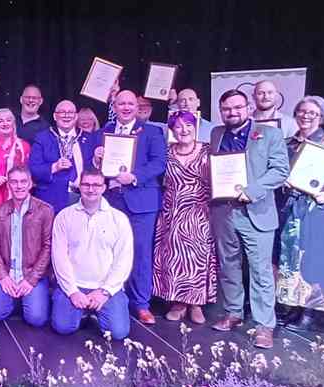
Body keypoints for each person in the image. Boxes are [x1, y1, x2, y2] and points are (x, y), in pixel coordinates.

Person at [208, 89, 289, 349]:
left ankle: (264, 325)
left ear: (248, 108)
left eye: (237, 107)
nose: (232, 112)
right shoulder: (216, 133)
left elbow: (280, 170)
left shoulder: (271, 134)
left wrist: (252, 191)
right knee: (228, 265)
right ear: (221, 111)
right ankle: (233, 313)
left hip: (257, 212)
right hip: (224, 211)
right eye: (227, 109)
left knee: (261, 271)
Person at [276, 96, 324, 331]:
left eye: (313, 113)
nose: (306, 116)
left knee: (312, 261)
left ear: (321, 117)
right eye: (302, 112)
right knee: (290, 258)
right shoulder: (288, 143)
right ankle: (293, 307)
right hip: (291, 208)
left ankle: (309, 311)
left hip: (317, 209)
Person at [94, 90, 167, 325]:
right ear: (114, 106)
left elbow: (159, 163)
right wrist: (96, 160)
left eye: (130, 104)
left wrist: (134, 176)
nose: (125, 107)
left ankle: (141, 305)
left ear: (138, 106)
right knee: (109, 252)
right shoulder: (105, 131)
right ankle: (113, 299)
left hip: (141, 202)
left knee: (139, 254)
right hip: (112, 200)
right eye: (121, 103)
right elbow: (95, 168)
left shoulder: (152, 131)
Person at [50, 170, 132, 338]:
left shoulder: (119, 219)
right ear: (79, 186)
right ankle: (84, 312)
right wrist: (72, 291)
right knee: (63, 327)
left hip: (105, 287)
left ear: (104, 188)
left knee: (118, 333)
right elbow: (59, 258)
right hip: (75, 285)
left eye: (96, 185)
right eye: (86, 184)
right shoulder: (64, 216)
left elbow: (123, 260)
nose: (91, 189)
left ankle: (95, 311)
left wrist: (105, 291)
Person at [152, 111, 217, 324]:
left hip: (199, 211)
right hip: (172, 211)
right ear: (172, 130)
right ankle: (178, 303)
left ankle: (196, 303)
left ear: (195, 126)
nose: (184, 130)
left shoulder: (208, 150)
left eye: (188, 125)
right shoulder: (166, 152)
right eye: (178, 126)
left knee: (196, 257)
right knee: (176, 258)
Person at [0, 166, 54, 326]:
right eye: (14, 182)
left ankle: (29, 296)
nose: (19, 186)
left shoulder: (45, 210)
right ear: (8, 184)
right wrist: (2, 276)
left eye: (23, 181)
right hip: (8, 273)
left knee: (36, 319)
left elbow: (48, 246)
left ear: (31, 184)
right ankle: (16, 297)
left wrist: (31, 280)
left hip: (32, 274)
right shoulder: (1, 210)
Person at [27, 100, 96, 213]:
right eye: (62, 112)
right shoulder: (42, 138)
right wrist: (54, 167)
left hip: (84, 199)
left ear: (76, 116)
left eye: (70, 112)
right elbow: (33, 169)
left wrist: (97, 161)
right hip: (52, 200)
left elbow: (95, 169)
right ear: (55, 116)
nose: (66, 116)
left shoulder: (89, 139)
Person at [0, 108, 31, 221]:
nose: (5, 123)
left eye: (8, 120)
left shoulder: (24, 146)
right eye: (0, 121)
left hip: (17, 197)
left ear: (14, 123)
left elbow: (29, 173)